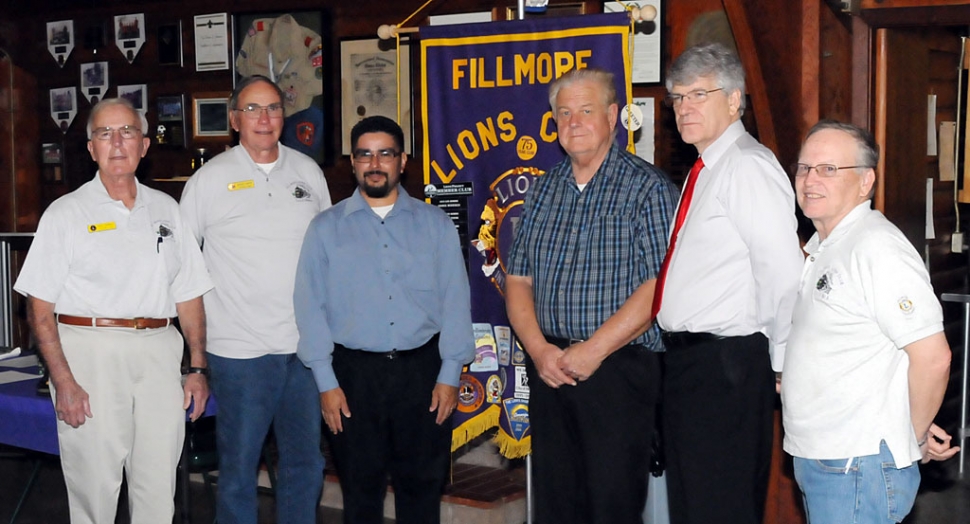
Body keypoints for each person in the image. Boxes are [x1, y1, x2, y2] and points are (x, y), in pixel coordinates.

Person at [14, 98, 212, 524]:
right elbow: (39, 307)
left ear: (144, 145)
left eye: (127, 133)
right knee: (95, 486)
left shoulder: (168, 210)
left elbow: (190, 294)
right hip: (90, 354)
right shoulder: (65, 214)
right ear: (91, 149)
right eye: (105, 133)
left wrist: (197, 368)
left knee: (159, 484)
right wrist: (63, 380)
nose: (117, 142)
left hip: (160, 352)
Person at [505, 67, 677, 524]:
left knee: (611, 506)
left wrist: (593, 351)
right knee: (556, 505)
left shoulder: (649, 188)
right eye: (564, 113)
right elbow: (518, 280)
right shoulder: (543, 189)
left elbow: (658, 286)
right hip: (550, 368)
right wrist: (539, 349)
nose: (574, 122)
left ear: (613, 115)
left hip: (617, 369)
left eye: (585, 110)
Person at [295, 115, 473, 524]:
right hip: (353, 378)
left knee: (422, 491)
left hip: (423, 374)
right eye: (364, 154)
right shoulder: (325, 229)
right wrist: (326, 383)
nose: (375, 163)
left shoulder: (435, 224)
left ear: (402, 161)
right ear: (353, 162)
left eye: (385, 154)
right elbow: (309, 307)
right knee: (360, 494)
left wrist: (449, 374)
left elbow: (456, 302)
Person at [655, 42, 803, 524]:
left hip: (726, 366)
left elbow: (782, 274)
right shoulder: (706, 169)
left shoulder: (746, 166)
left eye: (699, 94)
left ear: (736, 100)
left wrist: (780, 359)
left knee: (720, 506)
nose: (684, 108)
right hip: (693, 366)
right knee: (695, 506)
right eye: (677, 98)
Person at [782, 120, 958, 523]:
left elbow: (933, 358)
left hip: (855, 466)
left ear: (866, 182)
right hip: (829, 459)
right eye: (805, 168)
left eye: (829, 169)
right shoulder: (829, 245)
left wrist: (908, 437)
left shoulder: (876, 247)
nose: (810, 179)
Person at [179, 75, 330, 524]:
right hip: (240, 354)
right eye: (252, 109)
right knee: (240, 472)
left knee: (305, 464)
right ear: (234, 120)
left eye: (273, 108)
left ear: (284, 116)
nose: (264, 118)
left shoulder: (309, 172)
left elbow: (329, 255)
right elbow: (183, 271)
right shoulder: (209, 180)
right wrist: (196, 358)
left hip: (303, 353)